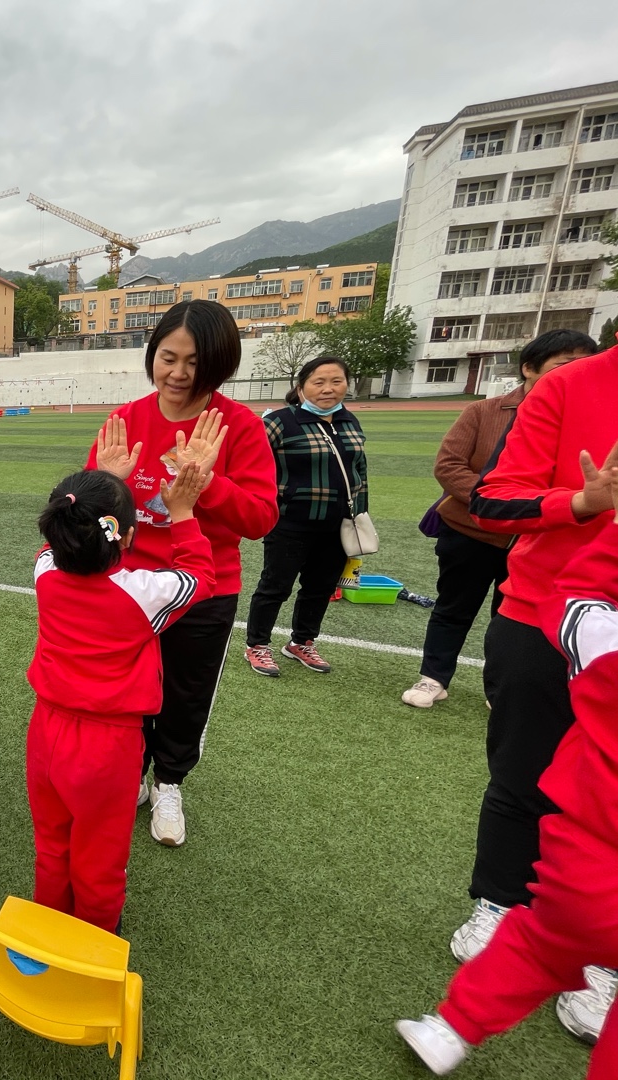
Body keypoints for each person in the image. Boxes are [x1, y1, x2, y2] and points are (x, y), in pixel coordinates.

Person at [396, 500, 618, 1076]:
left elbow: (574, 596)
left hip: (586, 871)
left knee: (535, 946)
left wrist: (616, 527)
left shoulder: (607, 650)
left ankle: (450, 1029)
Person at [453, 335, 618, 1043]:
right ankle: (499, 900)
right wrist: (580, 502)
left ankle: (604, 951)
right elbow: (492, 498)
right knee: (522, 773)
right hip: (542, 615)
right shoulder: (568, 386)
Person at [87, 299, 277, 845]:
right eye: (168, 358)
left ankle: (168, 782)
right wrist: (107, 483)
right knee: (125, 692)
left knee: (185, 695)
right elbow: (89, 508)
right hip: (130, 589)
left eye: (194, 362)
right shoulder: (125, 419)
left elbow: (260, 519)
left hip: (203, 589)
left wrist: (205, 482)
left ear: (219, 363)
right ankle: (132, 773)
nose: (178, 373)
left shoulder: (239, 426)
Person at [27, 466, 213, 931]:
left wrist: (105, 479)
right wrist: (183, 513)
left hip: (45, 733)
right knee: (99, 862)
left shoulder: (45, 575)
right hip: (107, 748)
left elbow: (49, 550)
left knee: (51, 847)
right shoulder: (142, 594)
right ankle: (91, 948)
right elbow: (200, 576)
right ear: (127, 536)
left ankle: (46, 936)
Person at [402, 329, 598, 709]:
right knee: (454, 608)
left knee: (512, 619)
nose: (575, 373)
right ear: (529, 368)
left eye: (583, 365)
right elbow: (449, 465)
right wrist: (500, 502)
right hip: (471, 532)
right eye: (564, 365)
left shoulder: (584, 416)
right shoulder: (483, 411)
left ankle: (499, 688)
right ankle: (433, 678)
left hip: (538, 538)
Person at [244, 355, 366, 678]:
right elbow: (252, 467)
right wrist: (268, 504)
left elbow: (359, 471)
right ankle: (257, 644)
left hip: (338, 524)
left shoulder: (349, 422)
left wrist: (360, 513)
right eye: (318, 382)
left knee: (320, 587)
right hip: (290, 522)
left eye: (336, 381)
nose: (328, 389)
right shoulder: (279, 422)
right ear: (301, 387)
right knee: (275, 586)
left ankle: (302, 641)